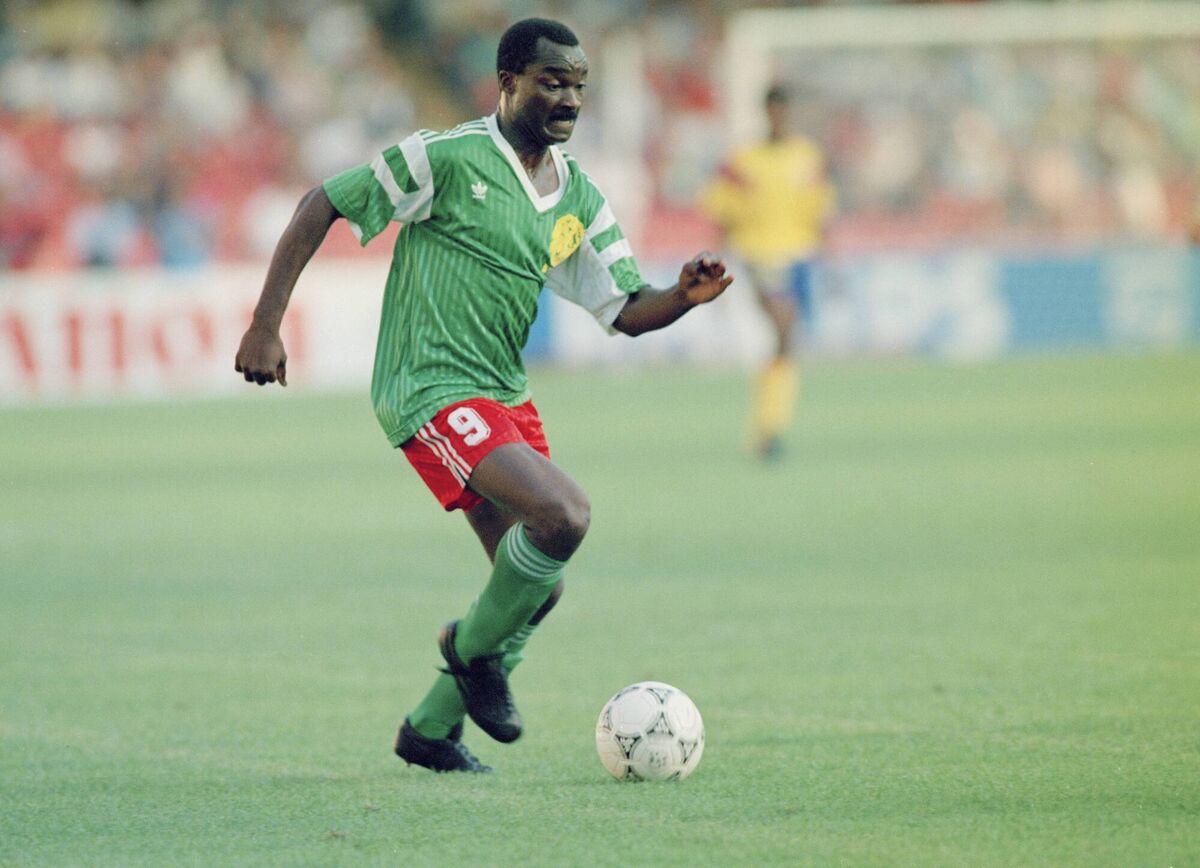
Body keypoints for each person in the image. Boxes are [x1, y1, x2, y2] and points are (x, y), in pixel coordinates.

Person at [234, 18, 732, 773]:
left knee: (539, 584)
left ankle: (431, 730)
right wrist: (265, 324)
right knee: (564, 515)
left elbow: (625, 310)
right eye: (551, 81)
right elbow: (323, 202)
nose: (568, 97)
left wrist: (683, 297)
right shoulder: (446, 156)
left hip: (501, 393)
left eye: (577, 85)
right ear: (508, 82)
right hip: (428, 386)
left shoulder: (579, 200)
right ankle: (470, 654)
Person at [700, 84, 834, 460]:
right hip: (760, 255)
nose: (780, 118)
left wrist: (831, 258)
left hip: (801, 256)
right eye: (774, 111)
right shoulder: (743, 159)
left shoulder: (808, 157)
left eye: (785, 111)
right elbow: (721, 211)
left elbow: (819, 210)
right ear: (766, 112)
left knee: (786, 343)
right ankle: (769, 430)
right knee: (783, 328)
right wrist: (718, 260)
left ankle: (769, 429)